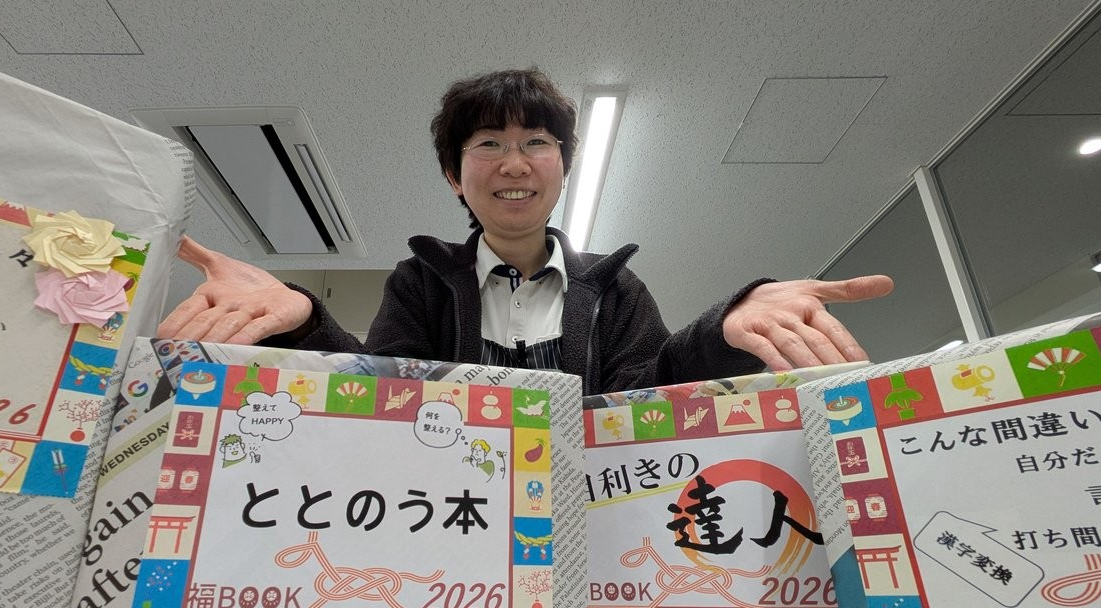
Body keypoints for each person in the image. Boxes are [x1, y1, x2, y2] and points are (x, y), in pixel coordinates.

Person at [159, 68, 892, 394]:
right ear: (455, 175)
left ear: (563, 167)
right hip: (449, 531)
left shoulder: (614, 289)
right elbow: (379, 395)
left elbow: (648, 399)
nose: (514, 163)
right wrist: (303, 320)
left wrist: (724, 324)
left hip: (593, 533)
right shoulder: (419, 284)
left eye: (537, 142)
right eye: (488, 144)